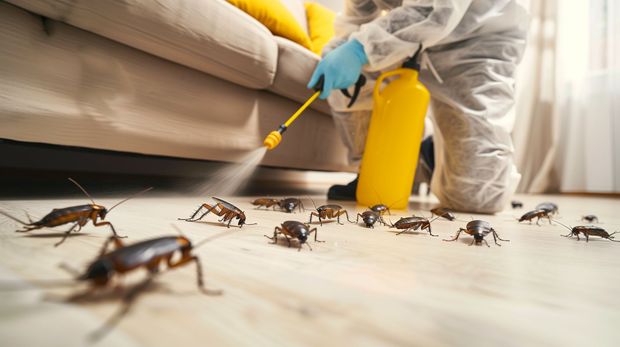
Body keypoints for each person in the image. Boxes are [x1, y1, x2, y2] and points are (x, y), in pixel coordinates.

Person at [307, 0, 528, 213]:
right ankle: (376, 170)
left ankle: (426, 149)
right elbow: (357, 17)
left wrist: (359, 49)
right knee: (344, 77)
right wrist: (343, 47)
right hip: (407, 40)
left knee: (477, 198)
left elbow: (434, 9)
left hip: (477, 44)